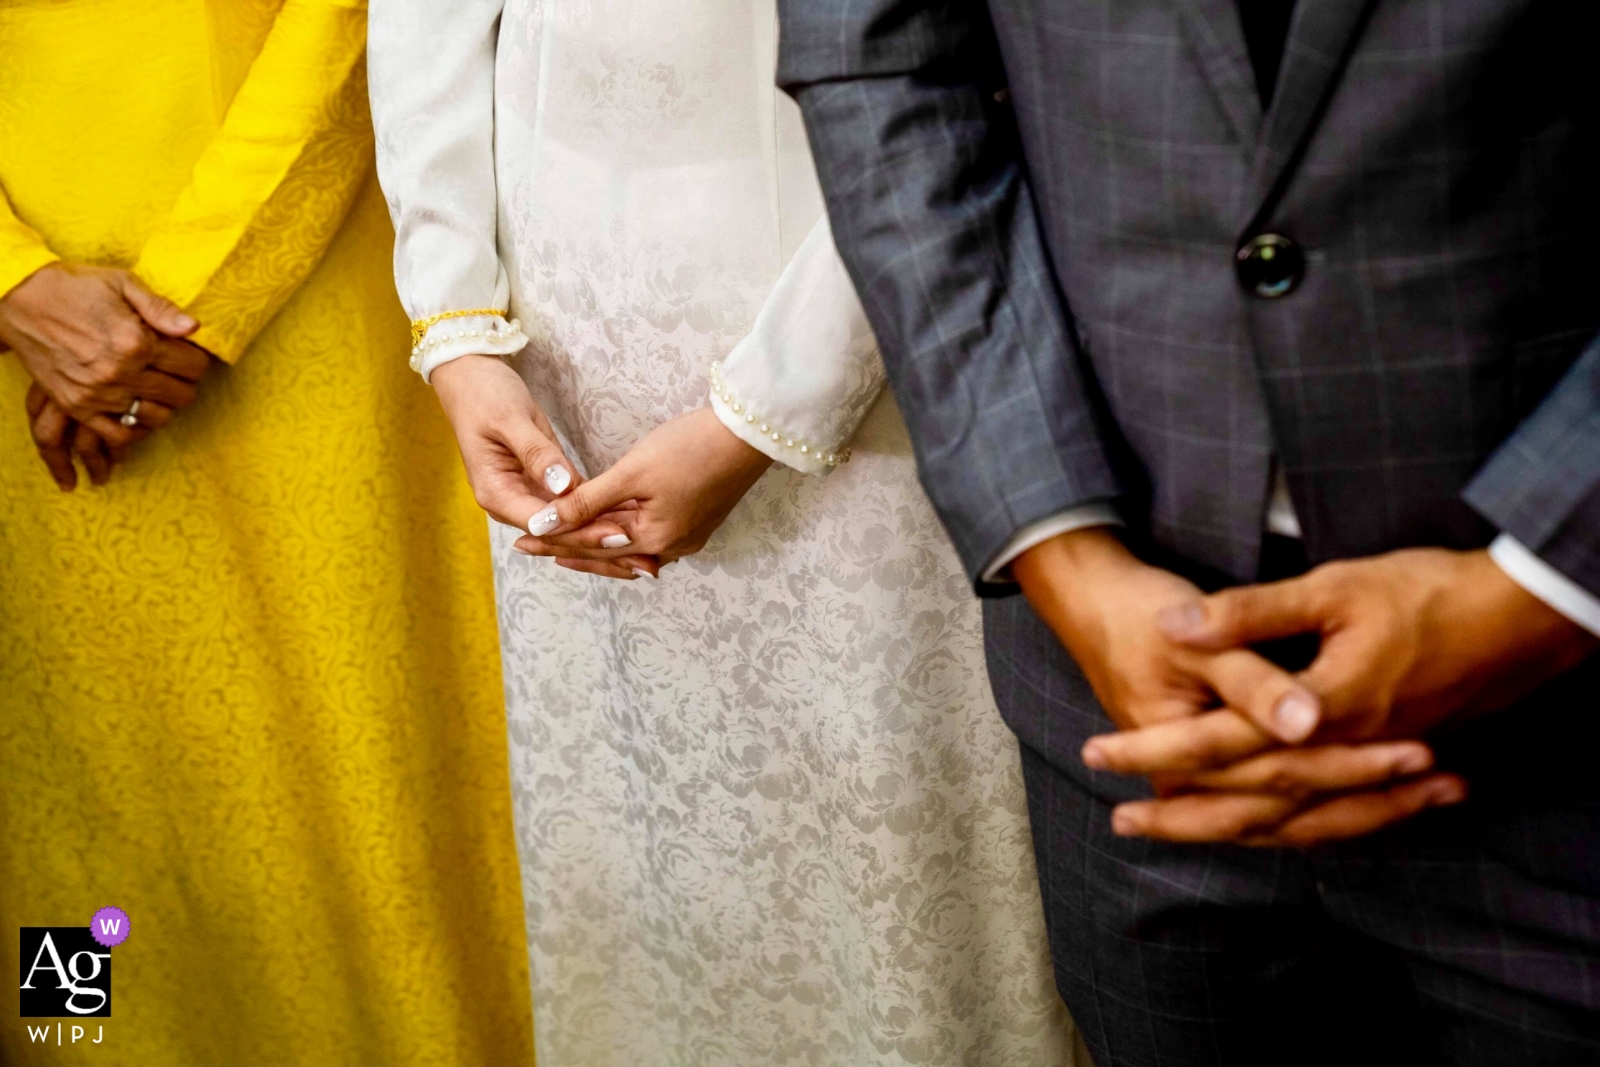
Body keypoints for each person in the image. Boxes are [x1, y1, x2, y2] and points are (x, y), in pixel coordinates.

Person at [779, 0, 1600, 1063]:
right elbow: (880, 66)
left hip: (1567, 733)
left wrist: (1548, 582)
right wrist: (1061, 549)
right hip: (1121, 705)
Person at [368, 2, 1082, 1064]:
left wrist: (767, 407)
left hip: (871, 319)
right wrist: (456, 321)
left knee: (884, 852)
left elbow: (960, 67)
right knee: (639, 857)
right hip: (557, 334)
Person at [0, 3, 532, 1063]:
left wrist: (204, 294)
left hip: (306, 300)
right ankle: (80, 1039)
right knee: (83, 809)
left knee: (366, 783)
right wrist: (10, 279)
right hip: (28, 367)